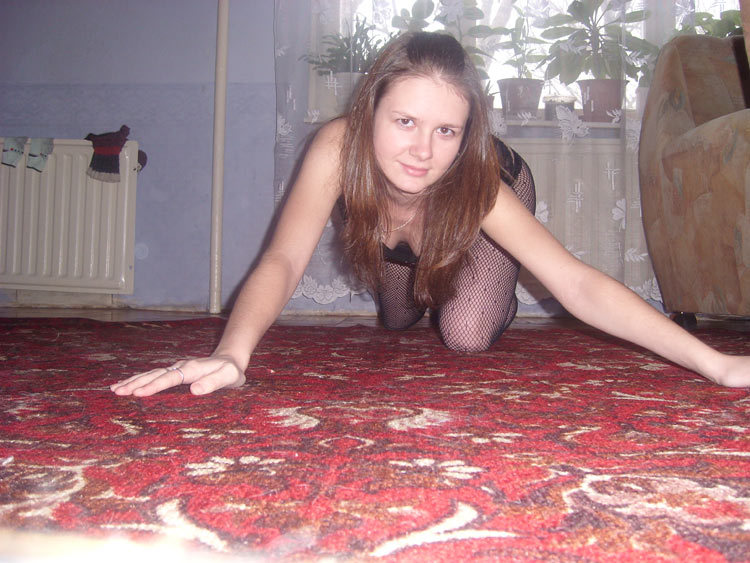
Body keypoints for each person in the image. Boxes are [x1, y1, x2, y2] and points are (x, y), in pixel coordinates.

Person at [111, 32, 750, 397]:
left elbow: (575, 282)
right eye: (405, 122)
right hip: (393, 226)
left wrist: (716, 363)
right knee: (397, 319)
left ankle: (480, 281)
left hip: (474, 200)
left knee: (465, 331)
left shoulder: (474, 175)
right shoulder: (336, 147)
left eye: (446, 129)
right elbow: (281, 259)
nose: (422, 151)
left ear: (466, 133)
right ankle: (426, 282)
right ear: (370, 111)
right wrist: (234, 355)